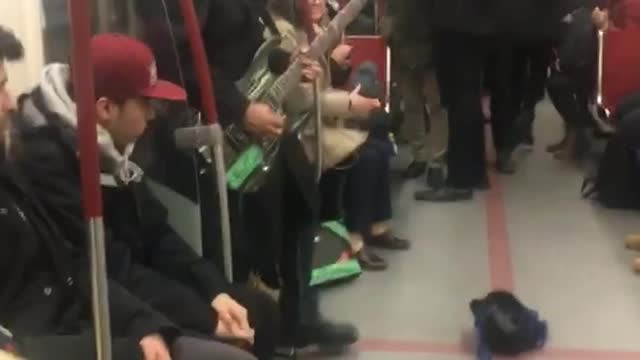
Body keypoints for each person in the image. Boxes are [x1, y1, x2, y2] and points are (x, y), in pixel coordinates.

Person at [0, 26, 256, 360]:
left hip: (95, 314)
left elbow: (86, 262)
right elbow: (102, 262)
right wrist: (144, 338)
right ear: (106, 109)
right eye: (0, 88)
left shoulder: (20, 170)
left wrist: (210, 294)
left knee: (250, 312)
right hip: (70, 333)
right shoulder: (44, 160)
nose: (10, 102)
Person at [383, 0, 433, 179]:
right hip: (402, 47)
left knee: (436, 107)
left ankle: (438, 158)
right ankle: (420, 156)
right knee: (413, 105)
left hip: (429, 47)